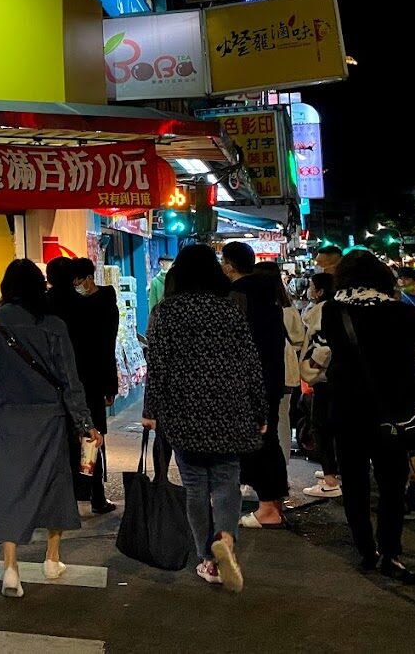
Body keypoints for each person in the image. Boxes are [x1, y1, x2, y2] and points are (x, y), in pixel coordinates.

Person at [0, 259, 100, 599]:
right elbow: (70, 380)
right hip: (50, 420)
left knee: (7, 488)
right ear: (41, 288)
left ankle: (11, 568)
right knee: (54, 487)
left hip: (6, 419)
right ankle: (52, 559)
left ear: (7, 287)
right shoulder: (53, 325)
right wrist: (84, 422)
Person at [142, 244, 263, 592]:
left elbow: (158, 367)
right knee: (227, 479)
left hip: (184, 409)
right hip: (230, 407)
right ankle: (225, 537)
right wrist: (259, 410)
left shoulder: (167, 312)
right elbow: (250, 363)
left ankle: (207, 560)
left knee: (195, 485)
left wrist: (151, 411)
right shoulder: (230, 310)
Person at [316, 251, 415, 584]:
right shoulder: (398, 311)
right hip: (392, 411)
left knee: (353, 482)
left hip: (347, 410)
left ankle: (366, 550)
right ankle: (390, 551)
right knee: (391, 483)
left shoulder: (331, 311)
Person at [221, 241, 288, 528]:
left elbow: (232, 342)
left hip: (249, 381)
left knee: (255, 442)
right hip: (270, 376)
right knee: (268, 438)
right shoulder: (268, 293)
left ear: (229, 265)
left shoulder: (238, 294)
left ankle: (267, 508)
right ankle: (274, 502)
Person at [64, 257, 121, 515]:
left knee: (91, 437)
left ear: (88, 278)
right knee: (85, 437)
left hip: (91, 380)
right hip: (85, 381)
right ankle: (88, 492)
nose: (76, 286)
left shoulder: (101, 305)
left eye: (78, 281)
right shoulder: (93, 304)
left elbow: (107, 348)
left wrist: (111, 385)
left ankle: (94, 493)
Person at [255, 261, 307, 465]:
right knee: (282, 419)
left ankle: (262, 468)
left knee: (262, 419)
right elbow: (299, 339)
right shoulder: (288, 308)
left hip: (262, 368)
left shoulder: (256, 308)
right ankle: (281, 468)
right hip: (287, 369)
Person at [301, 272, 340, 499]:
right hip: (336, 378)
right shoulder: (335, 308)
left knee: (321, 427)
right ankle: (332, 471)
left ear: (321, 291)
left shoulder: (322, 311)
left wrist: (314, 364)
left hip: (325, 378)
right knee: (333, 427)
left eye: (312, 286)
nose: (309, 290)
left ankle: (330, 480)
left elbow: (324, 345)